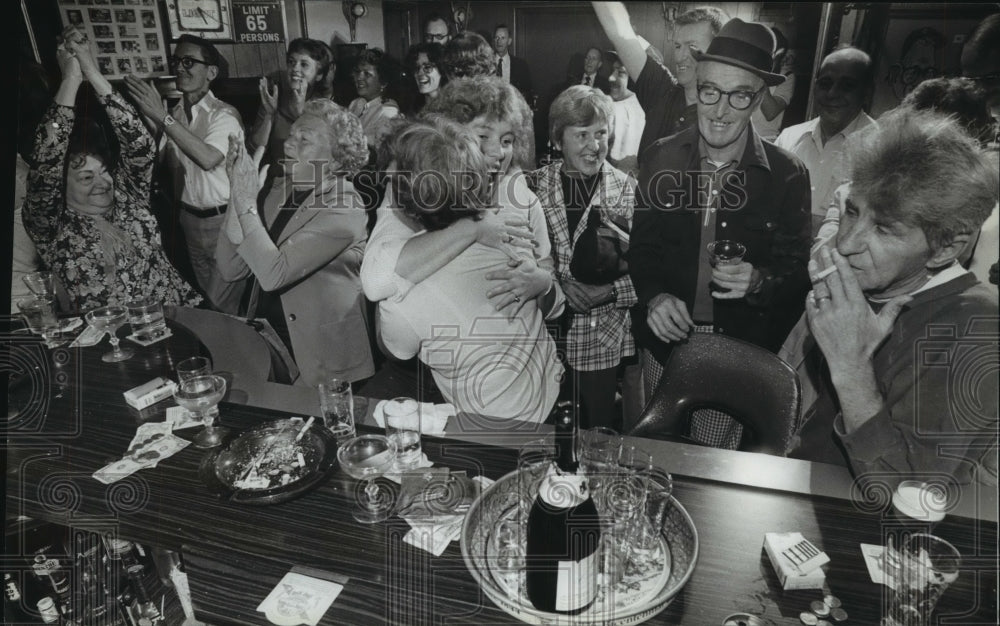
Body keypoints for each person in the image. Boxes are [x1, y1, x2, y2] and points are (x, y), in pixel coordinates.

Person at [781, 108, 998, 487]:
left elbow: (905, 496)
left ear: (946, 248)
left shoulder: (977, 327)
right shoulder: (861, 283)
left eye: (883, 229)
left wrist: (850, 367)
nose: (845, 243)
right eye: (852, 211)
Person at [628, 18, 811, 449]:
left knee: (711, 461)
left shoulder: (787, 175)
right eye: (710, 90)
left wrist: (760, 280)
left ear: (759, 98)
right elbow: (642, 249)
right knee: (659, 452)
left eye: (739, 94)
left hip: (735, 348)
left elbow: (797, 271)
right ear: (698, 86)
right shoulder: (661, 157)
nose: (720, 110)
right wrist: (654, 295)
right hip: (666, 341)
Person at [360, 77, 556, 400]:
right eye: (482, 137)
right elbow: (375, 280)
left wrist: (544, 282)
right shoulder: (422, 193)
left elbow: (551, 292)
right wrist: (474, 228)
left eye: (507, 140)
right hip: (448, 377)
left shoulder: (523, 202)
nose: (497, 154)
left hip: (526, 381)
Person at [24, 26, 201, 312]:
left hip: (175, 318)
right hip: (110, 339)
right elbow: (47, 155)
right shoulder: (50, 224)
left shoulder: (128, 195)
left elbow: (140, 143)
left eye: (104, 171)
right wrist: (71, 79)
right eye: (86, 176)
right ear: (59, 184)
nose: (103, 181)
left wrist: (92, 72)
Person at [215, 100, 374, 387]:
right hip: (270, 343)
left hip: (321, 358)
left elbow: (274, 274)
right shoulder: (279, 190)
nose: (289, 145)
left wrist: (247, 200)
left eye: (305, 140)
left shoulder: (345, 206)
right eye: (291, 135)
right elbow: (230, 269)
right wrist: (236, 194)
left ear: (336, 159)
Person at [531, 85, 638, 429]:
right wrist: (557, 281)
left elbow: (652, 270)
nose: (595, 146)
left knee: (597, 435)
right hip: (542, 337)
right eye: (582, 135)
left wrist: (607, 293)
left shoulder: (627, 190)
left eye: (601, 133)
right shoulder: (531, 188)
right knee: (544, 431)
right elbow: (512, 256)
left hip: (601, 340)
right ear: (558, 138)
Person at [124, 35, 245, 314]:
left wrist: (162, 118)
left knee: (222, 305)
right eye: (177, 61)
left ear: (211, 73)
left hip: (224, 222)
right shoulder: (175, 114)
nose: (180, 67)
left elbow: (207, 158)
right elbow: (156, 162)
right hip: (189, 221)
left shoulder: (224, 115)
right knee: (207, 299)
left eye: (189, 61)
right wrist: (151, 121)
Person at [594, 2, 728, 159]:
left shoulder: (727, 113)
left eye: (692, 46)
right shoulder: (662, 90)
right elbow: (619, 32)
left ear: (717, 51)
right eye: (678, 46)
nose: (680, 57)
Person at [775, 47, 876, 236]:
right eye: (825, 83)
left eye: (847, 85)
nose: (832, 93)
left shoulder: (882, 148)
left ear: (867, 92)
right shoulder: (789, 138)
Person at [247, 38, 335, 182]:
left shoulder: (325, 108)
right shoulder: (273, 99)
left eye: (304, 64)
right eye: (291, 62)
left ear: (318, 75)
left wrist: (300, 114)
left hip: (312, 183)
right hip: (276, 184)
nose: (295, 69)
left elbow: (325, 154)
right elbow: (254, 149)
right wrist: (269, 115)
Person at [347, 48, 401, 148]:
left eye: (367, 74)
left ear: (383, 81)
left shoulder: (389, 111)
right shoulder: (356, 103)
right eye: (358, 72)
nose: (359, 77)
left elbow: (378, 147)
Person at [750, 27, 795, 142]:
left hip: (767, 140)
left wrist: (761, 73)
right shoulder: (748, 71)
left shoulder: (787, 77)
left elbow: (770, 112)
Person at [605, 50, 645, 177]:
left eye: (621, 72)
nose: (611, 77)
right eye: (612, 70)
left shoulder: (647, 109)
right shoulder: (605, 104)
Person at [403, 42, 447, 115]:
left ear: (442, 70)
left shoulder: (451, 106)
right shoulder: (413, 105)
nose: (420, 73)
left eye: (427, 67)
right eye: (416, 68)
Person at [492, 24, 533, 101]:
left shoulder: (521, 65)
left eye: (503, 38)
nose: (499, 41)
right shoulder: (486, 63)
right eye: (496, 37)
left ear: (509, 41)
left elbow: (528, 91)